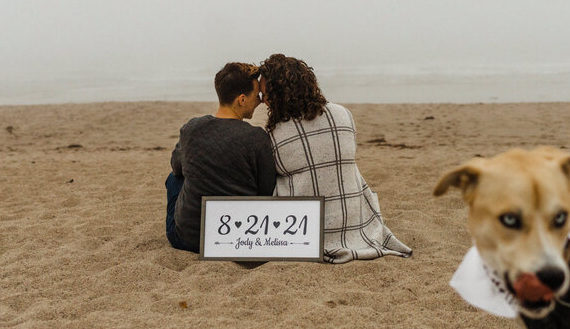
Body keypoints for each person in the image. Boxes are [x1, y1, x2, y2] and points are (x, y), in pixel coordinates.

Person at [258, 54, 412, 264]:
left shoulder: (277, 134)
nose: (263, 101)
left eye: (266, 94)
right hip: (356, 223)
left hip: (303, 231)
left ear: (280, 94)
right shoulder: (342, 114)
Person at [166, 62, 276, 252]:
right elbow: (266, 189)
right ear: (241, 100)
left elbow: (177, 167)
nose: (259, 101)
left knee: (174, 177)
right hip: (237, 238)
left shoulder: (192, 128)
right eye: (256, 96)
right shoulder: (257, 138)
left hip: (188, 239)